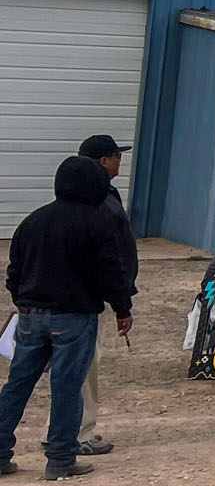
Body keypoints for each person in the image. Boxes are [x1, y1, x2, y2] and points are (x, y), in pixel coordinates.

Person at [0, 155, 135, 480]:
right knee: (67, 387)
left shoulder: (32, 221)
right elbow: (110, 272)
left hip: (31, 316)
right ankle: (60, 458)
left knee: (17, 385)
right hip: (74, 317)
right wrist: (122, 308)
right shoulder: (96, 223)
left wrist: (23, 302)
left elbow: (13, 271)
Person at [74, 135, 136, 461]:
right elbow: (107, 257)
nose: (120, 162)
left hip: (87, 299)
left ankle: (58, 431)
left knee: (76, 368)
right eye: (116, 156)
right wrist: (120, 301)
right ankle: (79, 433)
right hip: (86, 301)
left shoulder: (99, 195)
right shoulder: (96, 200)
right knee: (85, 367)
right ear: (102, 161)